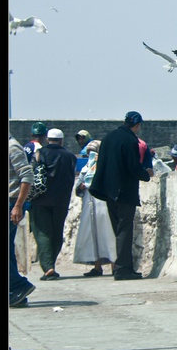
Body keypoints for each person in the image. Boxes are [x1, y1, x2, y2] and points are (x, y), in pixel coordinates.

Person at [89, 111, 151, 281]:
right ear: (137, 126)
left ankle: (121, 266)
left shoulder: (109, 137)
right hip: (124, 192)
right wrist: (146, 175)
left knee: (117, 229)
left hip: (108, 192)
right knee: (124, 230)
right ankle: (123, 269)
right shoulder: (130, 140)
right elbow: (132, 166)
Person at [29, 128, 77, 281]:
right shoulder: (70, 157)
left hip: (41, 200)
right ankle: (51, 265)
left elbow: (31, 175)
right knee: (57, 234)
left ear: (47, 139)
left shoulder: (39, 153)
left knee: (43, 233)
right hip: (61, 201)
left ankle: (48, 267)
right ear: (62, 141)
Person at [72, 140, 117, 277]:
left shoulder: (107, 165)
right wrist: (81, 187)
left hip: (103, 203)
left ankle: (115, 265)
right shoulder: (86, 168)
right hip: (89, 204)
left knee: (108, 233)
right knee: (92, 235)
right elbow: (78, 187)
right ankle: (97, 266)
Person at [9, 135, 36, 307]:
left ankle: (19, 285)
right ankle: (16, 292)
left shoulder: (12, 147)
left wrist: (18, 206)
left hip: (11, 203)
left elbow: (27, 176)